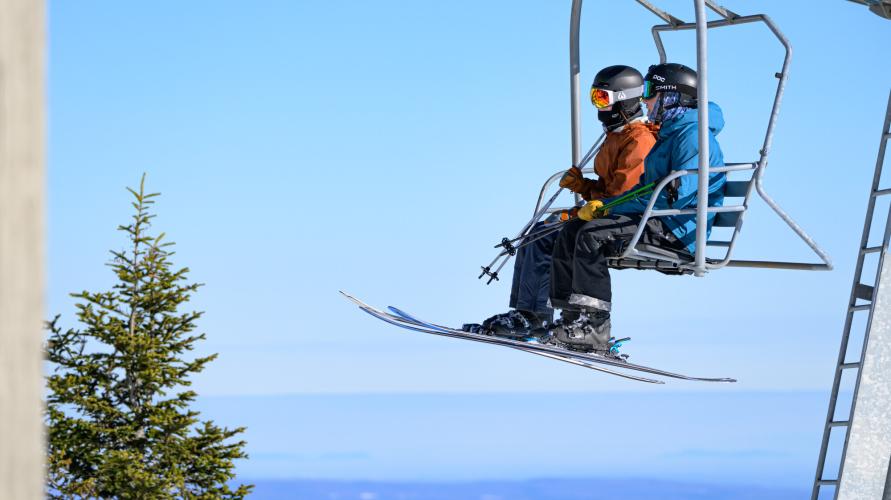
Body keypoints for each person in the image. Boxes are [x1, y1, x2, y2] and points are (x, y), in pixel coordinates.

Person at [547, 62, 726, 352]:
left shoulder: (692, 135)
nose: (645, 100)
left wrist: (607, 207)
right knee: (574, 229)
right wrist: (604, 203)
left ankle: (595, 328)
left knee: (592, 234)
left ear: (672, 97)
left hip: (678, 228)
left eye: (651, 92)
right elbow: (647, 189)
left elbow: (673, 194)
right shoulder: (671, 133)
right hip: (660, 219)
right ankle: (572, 320)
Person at [471, 65, 658, 338]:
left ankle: (535, 316)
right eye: (595, 98)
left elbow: (623, 196)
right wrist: (582, 186)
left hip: (622, 221)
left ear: (624, 99)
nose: (599, 107)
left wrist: (587, 205)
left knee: (548, 236)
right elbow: (609, 188)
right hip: (605, 213)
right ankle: (528, 312)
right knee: (537, 231)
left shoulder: (638, 140)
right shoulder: (616, 136)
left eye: (603, 98)